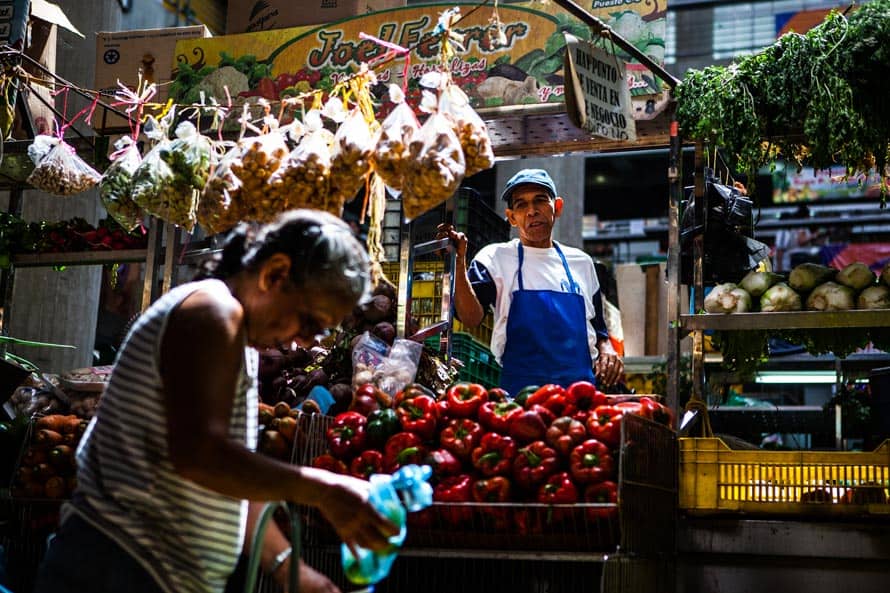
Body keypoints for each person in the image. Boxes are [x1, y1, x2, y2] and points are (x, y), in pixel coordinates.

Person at [35, 210, 399, 593]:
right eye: (308, 322)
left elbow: (230, 475)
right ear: (274, 274)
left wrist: (291, 571)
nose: (300, 343)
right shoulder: (212, 312)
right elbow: (200, 455)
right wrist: (324, 490)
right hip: (120, 565)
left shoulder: (235, 336)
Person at [439, 169, 624, 396]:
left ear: (557, 207)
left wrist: (608, 350)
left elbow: (599, 330)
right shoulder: (495, 258)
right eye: (521, 205)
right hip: (520, 398)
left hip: (580, 396)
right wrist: (458, 263)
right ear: (511, 216)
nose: (532, 211)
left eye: (540, 201)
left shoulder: (582, 263)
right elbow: (470, 317)